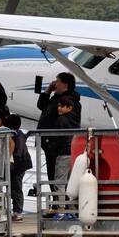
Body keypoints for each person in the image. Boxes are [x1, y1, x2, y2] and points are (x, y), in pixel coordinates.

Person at [36, 72, 81, 201]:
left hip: (59, 146)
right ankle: (58, 205)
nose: (55, 83)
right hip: (51, 144)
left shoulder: (69, 101)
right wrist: (47, 92)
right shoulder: (56, 98)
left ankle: (63, 207)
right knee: (54, 177)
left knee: (60, 179)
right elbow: (41, 106)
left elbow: (68, 125)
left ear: (65, 84)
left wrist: (53, 141)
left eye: (57, 81)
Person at [7, 113, 30, 221]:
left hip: (19, 164)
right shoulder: (20, 133)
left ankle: (18, 211)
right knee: (15, 187)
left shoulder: (15, 135)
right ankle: (17, 210)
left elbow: (19, 151)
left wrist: (13, 162)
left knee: (16, 187)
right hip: (21, 163)